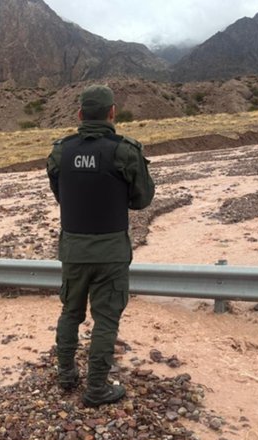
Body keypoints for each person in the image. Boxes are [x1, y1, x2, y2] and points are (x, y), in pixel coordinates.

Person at [46, 84, 155, 408]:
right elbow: (142, 199)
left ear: (80, 114)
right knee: (106, 319)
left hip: (74, 249)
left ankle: (66, 376)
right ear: (112, 113)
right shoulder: (125, 150)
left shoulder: (61, 151)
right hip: (111, 252)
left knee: (70, 313)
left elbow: (60, 193)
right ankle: (96, 388)